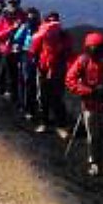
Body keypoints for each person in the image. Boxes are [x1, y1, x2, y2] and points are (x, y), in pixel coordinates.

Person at [66, 32, 103, 177]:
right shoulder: (83, 61)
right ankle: (95, 162)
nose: (96, 51)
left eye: (98, 48)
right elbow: (70, 80)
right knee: (94, 136)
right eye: (94, 49)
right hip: (91, 104)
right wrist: (89, 91)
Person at [30, 11, 72, 139]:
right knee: (43, 97)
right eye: (50, 20)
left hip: (58, 70)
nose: (53, 23)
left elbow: (68, 52)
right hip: (43, 69)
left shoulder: (64, 36)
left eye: (55, 20)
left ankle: (61, 126)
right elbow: (33, 50)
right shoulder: (41, 35)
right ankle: (44, 123)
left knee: (57, 98)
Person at [0, 0, 25, 100]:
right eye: (11, 4)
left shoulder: (22, 17)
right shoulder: (3, 17)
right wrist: (10, 29)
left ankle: (13, 96)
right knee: (3, 73)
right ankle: (2, 92)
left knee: (15, 75)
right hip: (5, 50)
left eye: (15, 4)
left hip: (17, 51)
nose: (12, 6)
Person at [11, 7, 41, 119]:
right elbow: (17, 38)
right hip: (28, 55)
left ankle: (26, 106)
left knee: (27, 81)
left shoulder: (28, 26)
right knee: (28, 81)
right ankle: (27, 106)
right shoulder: (35, 27)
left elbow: (16, 38)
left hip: (30, 55)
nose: (31, 19)